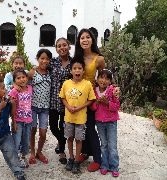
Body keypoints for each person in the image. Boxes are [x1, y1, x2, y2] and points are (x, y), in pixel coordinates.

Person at [73, 28, 105, 172]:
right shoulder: (77, 58)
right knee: (81, 127)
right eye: (82, 38)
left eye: (87, 37)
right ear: (79, 41)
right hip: (77, 97)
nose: (85, 40)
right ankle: (85, 153)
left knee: (90, 128)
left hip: (91, 98)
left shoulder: (99, 58)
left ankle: (98, 159)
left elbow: (104, 78)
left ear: (92, 39)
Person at [59, 59, 96, 174]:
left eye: (79, 68)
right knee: (69, 138)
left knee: (79, 140)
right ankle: (70, 158)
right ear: (71, 71)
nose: (77, 70)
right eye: (74, 68)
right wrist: (68, 106)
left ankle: (76, 161)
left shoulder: (87, 84)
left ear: (83, 71)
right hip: (68, 117)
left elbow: (91, 100)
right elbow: (62, 97)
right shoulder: (66, 83)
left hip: (81, 119)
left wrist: (80, 107)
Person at [90, 69, 120, 177]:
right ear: (97, 79)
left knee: (112, 145)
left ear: (110, 81)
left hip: (111, 122)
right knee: (104, 145)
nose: (104, 80)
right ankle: (105, 165)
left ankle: (114, 167)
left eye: (107, 78)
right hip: (100, 122)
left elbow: (117, 106)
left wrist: (107, 103)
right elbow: (92, 107)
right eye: (101, 77)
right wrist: (97, 102)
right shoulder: (94, 91)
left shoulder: (112, 90)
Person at [49, 37, 72, 165]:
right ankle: (60, 141)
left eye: (64, 45)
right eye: (59, 46)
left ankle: (62, 151)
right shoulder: (52, 62)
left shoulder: (74, 63)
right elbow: (40, 69)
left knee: (63, 128)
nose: (62, 47)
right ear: (56, 49)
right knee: (53, 126)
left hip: (66, 102)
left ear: (69, 46)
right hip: (52, 101)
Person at [28, 49, 52, 164]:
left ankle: (39, 152)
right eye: (42, 58)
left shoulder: (50, 73)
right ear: (37, 59)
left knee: (43, 132)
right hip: (32, 106)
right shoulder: (32, 72)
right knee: (32, 130)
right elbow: (23, 84)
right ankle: (32, 153)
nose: (45, 61)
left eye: (47, 59)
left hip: (45, 108)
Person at [9, 70, 33, 168]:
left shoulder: (30, 88)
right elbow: (9, 103)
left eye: (23, 77)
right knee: (16, 141)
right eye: (18, 78)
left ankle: (23, 157)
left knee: (26, 141)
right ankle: (15, 159)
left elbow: (32, 73)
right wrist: (13, 121)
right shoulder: (14, 91)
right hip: (18, 121)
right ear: (14, 81)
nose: (21, 79)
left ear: (27, 78)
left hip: (28, 121)